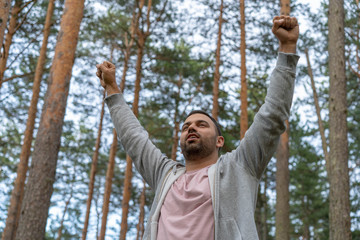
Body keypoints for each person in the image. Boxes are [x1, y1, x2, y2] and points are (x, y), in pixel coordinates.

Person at [96, 15, 299, 240]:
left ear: (219, 141)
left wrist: (287, 49)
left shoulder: (239, 167)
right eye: (185, 127)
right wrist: (112, 89)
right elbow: (134, 139)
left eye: (201, 125)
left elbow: (272, 116)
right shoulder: (165, 175)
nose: (191, 128)